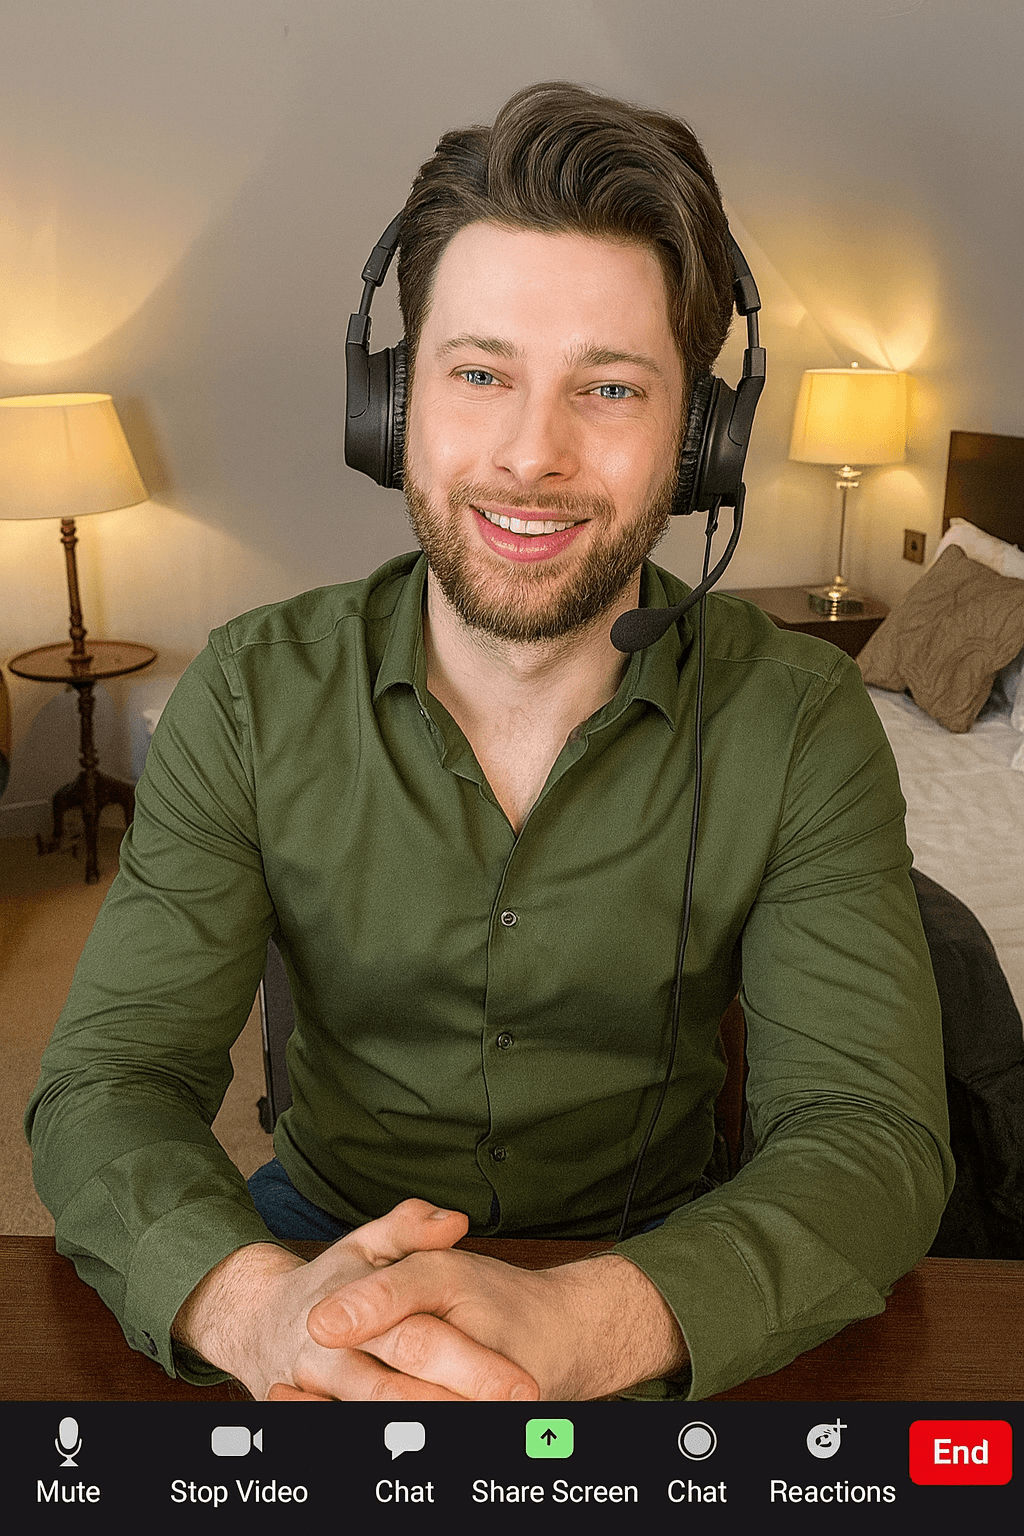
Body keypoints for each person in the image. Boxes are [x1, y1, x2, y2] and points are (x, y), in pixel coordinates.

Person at [26, 82, 952, 1404]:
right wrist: (262, 1312)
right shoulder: (248, 692)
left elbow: (870, 1134)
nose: (534, 454)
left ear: (700, 440)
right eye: (480, 373)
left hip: (654, 1268)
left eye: (611, 387)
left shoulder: (797, 718)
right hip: (318, 1251)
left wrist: (596, 1322)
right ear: (392, 408)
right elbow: (107, 1082)